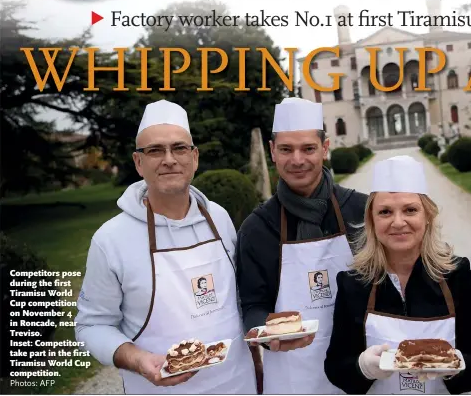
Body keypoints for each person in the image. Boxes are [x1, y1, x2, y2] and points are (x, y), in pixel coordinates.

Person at [74, 99, 257, 394]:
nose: (169, 159)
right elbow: (91, 326)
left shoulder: (219, 218)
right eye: (155, 150)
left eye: (179, 148)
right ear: (138, 162)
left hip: (238, 384)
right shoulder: (111, 239)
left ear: (194, 158)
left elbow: (237, 300)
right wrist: (138, 359)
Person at [324, 155, 471, 394]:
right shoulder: (353, 283)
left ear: (427, 216)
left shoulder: (457, 276)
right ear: (371, 222)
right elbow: (336, 368)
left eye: (410, 210)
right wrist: (363, 368)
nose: (398, 222)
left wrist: (454, 366)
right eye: (385, 212)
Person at [235, 97, 368, 394]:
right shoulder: (257, 229)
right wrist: (266, 333)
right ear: (272, 151)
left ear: (325, 147)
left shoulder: (362, 211)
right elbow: (252, 306)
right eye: (286, 149)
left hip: (363, 368)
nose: (297, 160)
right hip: (293, 374)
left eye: (308, 148)